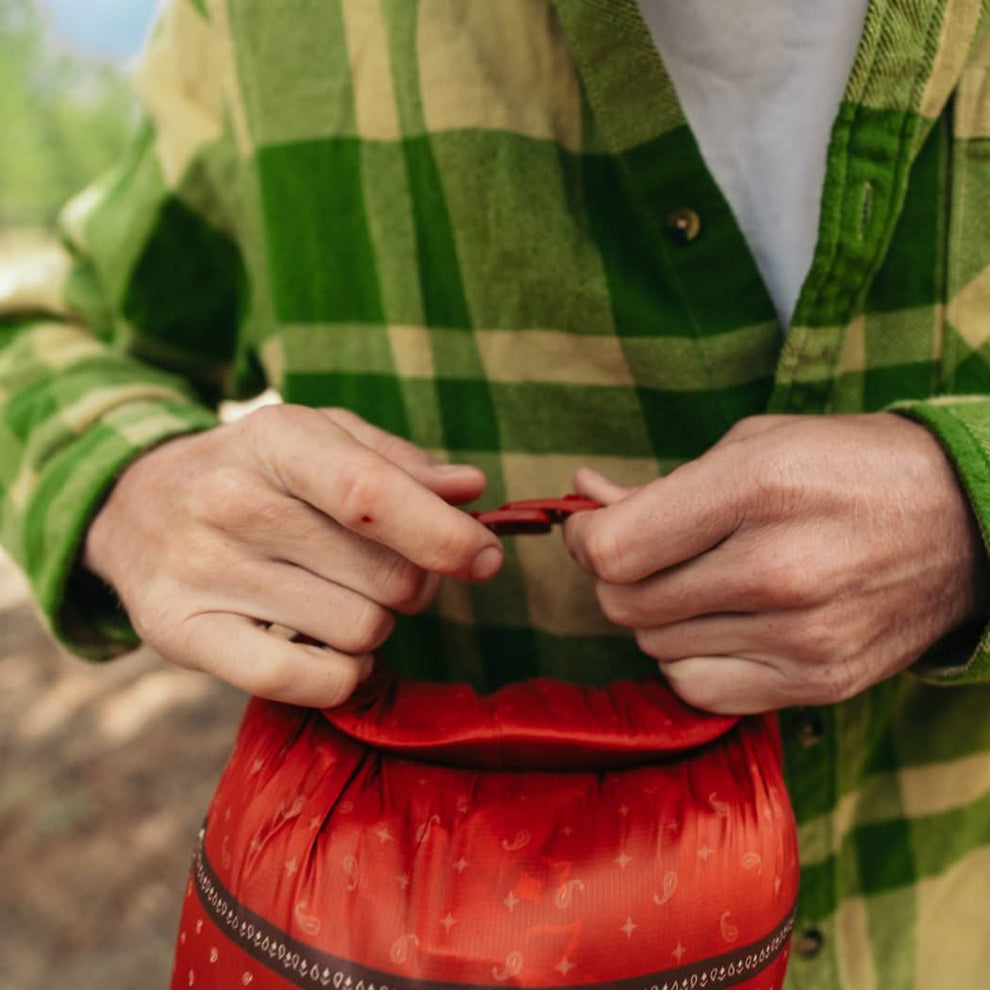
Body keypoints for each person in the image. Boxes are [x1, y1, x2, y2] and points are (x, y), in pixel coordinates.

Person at [2, 0, 989, 986]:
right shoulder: (263, 24)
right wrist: (136, 487)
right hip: (372, 934)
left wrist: (967, 506)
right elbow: (44, 336)